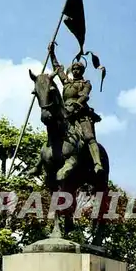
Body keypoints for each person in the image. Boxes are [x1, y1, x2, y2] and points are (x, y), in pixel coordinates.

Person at [48, 42, 104, 175]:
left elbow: (84, 96)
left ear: (82, 71)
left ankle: (97, 163)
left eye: (78, 69)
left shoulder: (86, 83)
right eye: (74, 69)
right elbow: (57, 68)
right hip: (65, 112)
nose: (76, 71)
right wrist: (52, 53)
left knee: (89, 137)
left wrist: (74, 106)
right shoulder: (66, 82)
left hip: (80, 113)